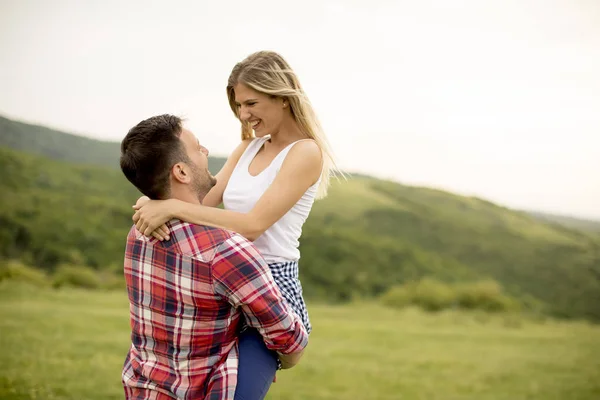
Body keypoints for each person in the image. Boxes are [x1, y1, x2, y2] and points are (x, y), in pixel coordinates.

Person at [132, 51, 340, 399]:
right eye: (239, 105)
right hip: (223, 282)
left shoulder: (306, 152)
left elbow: (253, 225)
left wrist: (168, 206)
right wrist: (152, 200)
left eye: (251, 103)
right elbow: (202, 203)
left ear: (283, 96)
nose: (244, 114)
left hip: (271, 287)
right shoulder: (246, 148)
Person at [119, 114, 308, 400]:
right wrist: (267, 363)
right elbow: (289, 341)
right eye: (198, 148)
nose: (206, 151)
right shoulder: (227, 250)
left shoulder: (139, 232)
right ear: (181, 172)